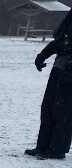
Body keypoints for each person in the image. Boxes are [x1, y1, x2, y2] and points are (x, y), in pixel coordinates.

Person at [28, 11, 72, 160]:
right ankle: (43, 145)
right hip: (59, 69)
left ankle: (57, 149)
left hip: (68, 72)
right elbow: (60, 41)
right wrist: (42, 56)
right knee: (47, 107)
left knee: (62, 111)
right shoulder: (70, 18)